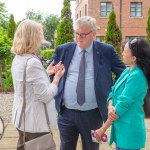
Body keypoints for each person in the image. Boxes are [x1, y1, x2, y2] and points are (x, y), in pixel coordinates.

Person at [48, 16, 126, 150]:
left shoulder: (106, 51)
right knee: (66, 147)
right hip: (66, 113)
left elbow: (123, 75)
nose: (79, 38)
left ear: (94, 34)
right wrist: (52, 78)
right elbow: (49, 72)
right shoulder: (63, 49)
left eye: (83, 34)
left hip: (93, 115)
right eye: (76, 33)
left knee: (91, 147)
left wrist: (111, 92)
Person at [11, 19, 65, 149]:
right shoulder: (32, 62)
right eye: (39, 36)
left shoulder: (18, 58)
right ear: (33, 38)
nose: (41, 42)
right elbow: (45, 96)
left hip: (22, 119)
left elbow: (27, 82)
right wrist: (56, 79)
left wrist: (47, 72)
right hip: (35, 123)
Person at [94, 38, 150, 150]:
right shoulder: (127, 71)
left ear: (134, 58)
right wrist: (110, 105)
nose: (122, 53)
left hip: (130, 133)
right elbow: (112, 91)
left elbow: (121, 106)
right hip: (121, 131)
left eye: (125, 51)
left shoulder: (137, 76)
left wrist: (103, 129)